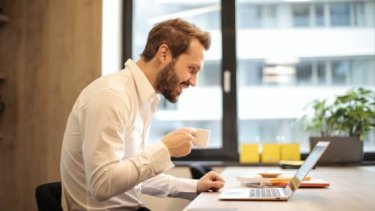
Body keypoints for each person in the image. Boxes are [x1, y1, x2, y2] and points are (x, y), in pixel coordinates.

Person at [60, 18, 225, 211]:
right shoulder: (111, 96)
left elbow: (133, 176)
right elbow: (103, 184)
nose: (194, 82)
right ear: (164, 53)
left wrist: (195, 186)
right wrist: (164, 149)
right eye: (191, 69)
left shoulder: (145, 98)